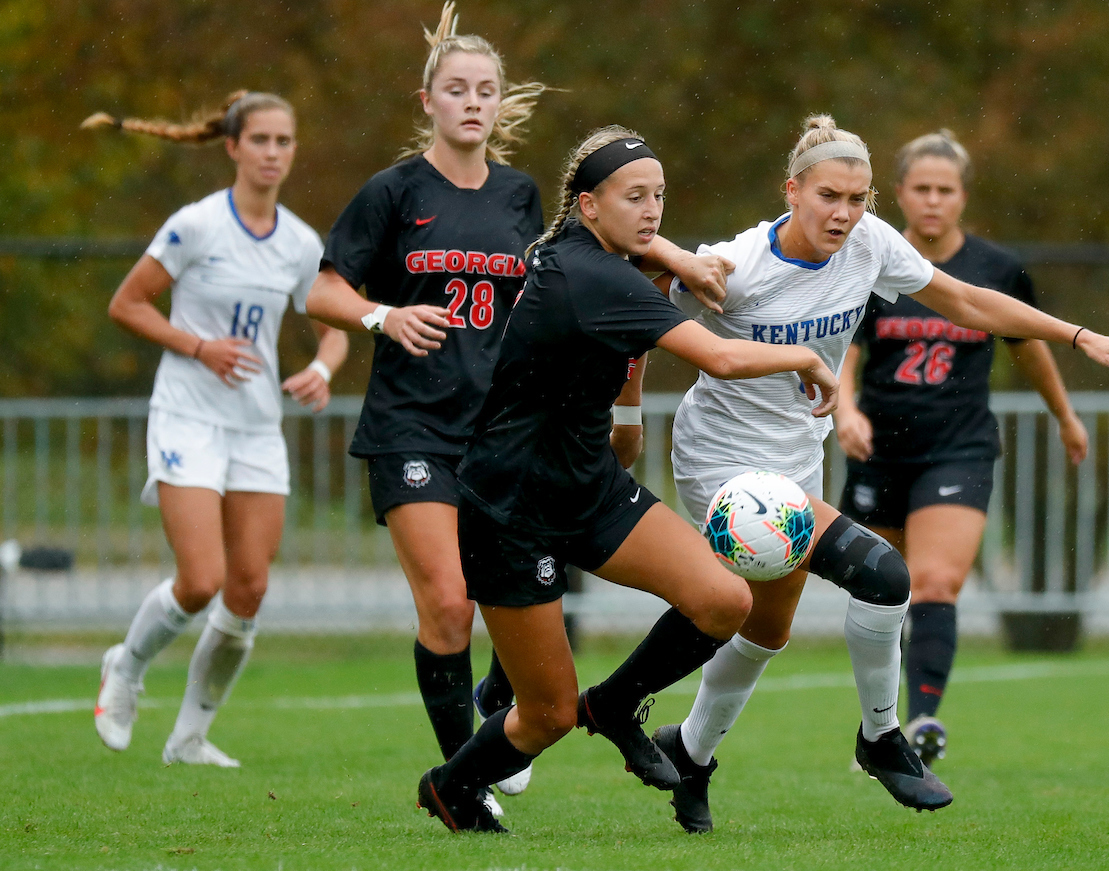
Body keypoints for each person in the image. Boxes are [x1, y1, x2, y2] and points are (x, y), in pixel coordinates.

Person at [647, 115, 1109, 833]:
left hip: (795, 460)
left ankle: (688, 752)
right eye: (829, 196)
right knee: (884, 575)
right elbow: (632, 305)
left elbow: (971, 301)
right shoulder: (735, 263)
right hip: (719, 464)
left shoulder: (870, 244)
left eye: (858, 198)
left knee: (766, 630)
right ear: (791, 190)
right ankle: (883, 734)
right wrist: (619, 407)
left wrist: (1082, 334)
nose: (844, 213)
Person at [411, 125, 840, 834]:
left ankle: (614, 704)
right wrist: (808, 358)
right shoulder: (593, 274)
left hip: (591, 485)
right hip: (513, 504)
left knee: (724, 598)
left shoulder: (602, 256)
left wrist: (630, 406)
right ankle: (451, 785)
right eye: (634, 196)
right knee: (546, 712)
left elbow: (644, 270)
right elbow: (719, 357)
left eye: (660, 196)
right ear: (587, 206)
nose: (652, 210)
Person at [303, 2, 548, 805]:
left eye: (486, 90)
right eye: (457, 89)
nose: (473, 101)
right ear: (428, 102)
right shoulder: (394, 191)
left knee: (514, 600)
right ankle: (464, 782)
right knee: (449, 604)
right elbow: (321, 288)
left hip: (501, 433)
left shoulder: (521, 197)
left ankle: (490, 719)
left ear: (500, 103)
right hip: (411, 426)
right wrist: (383, 314)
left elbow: (540, 305)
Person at [87, 91, 349, 767]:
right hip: (188, 415)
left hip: (256, 426)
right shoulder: (197, 224)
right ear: (232, 146)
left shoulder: (298, 241)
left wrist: (321, 367)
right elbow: (128, 303)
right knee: (200, 578)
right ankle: (126, 667)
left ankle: (189, 737)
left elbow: (333, 328)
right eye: (259, 139)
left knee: (249, 588)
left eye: (283, 141)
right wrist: (199, 346)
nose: (272, 153)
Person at [833, 130, 1089, 766]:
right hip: (881, 447)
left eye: (944, 190)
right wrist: (846, 408)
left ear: (962, 198)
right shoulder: (872, 262)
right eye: (920, 188)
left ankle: (922, 720)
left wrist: (1066, 416)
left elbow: (1027, 345)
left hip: (960, 446)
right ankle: (879, 725)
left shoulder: (996, 270)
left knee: (937, 581)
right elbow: (845, 350)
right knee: (881, 590)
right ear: (897, 194)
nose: (931, 201)